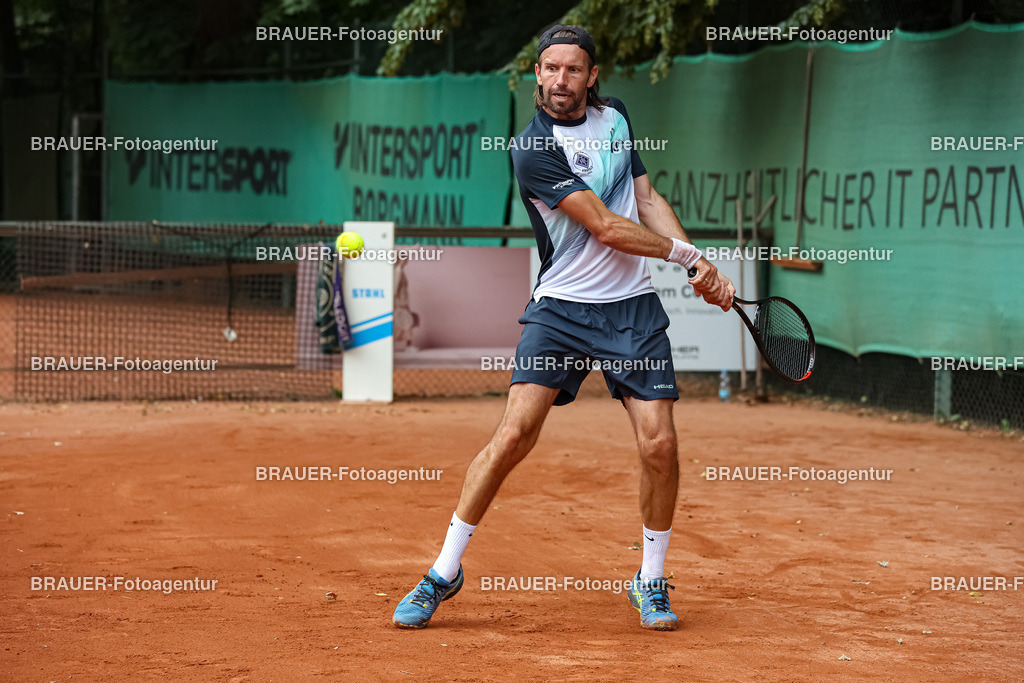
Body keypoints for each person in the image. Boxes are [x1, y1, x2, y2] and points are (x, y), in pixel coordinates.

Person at [393, 24, 734, 632]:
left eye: (573, 69)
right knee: (513, 436)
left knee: (660, 445)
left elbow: (645, 199)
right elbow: (605, 226)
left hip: (632, 311)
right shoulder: (532, 148)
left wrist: (698, 260)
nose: (560, 80)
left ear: (592, 75)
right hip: (562, 311)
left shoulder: (617, 118)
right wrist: (687, 260)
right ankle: (443, 572)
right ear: (537, 74)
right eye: (550, 68)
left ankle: (650, 580)